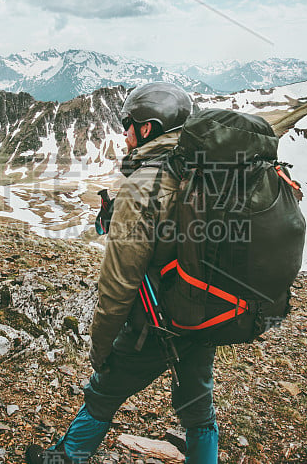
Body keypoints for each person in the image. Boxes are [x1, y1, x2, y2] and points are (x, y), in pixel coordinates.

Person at [27, 82, 219, 464]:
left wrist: (101, 350)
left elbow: (117, 286)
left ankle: (68, 457)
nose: (123, 131)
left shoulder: (141, 188)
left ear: (148, 128)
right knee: (198, 401)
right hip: (203, 314)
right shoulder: (206, 172)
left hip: (156, 324)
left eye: (127, 123)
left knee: (105, 390)